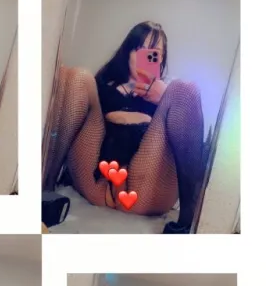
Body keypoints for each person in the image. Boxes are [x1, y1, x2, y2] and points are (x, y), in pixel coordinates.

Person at [46, 21, 204, 233]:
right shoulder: (104, 85)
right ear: (127, 52)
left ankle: (188, 219)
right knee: (76, 76)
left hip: (145, 187)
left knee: (185, 89)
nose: (146, 57)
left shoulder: (168, 95)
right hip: (97, 178)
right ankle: (45, 188)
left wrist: (163, 96)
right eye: (140, 49)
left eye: (154, 53)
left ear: (162, 60)